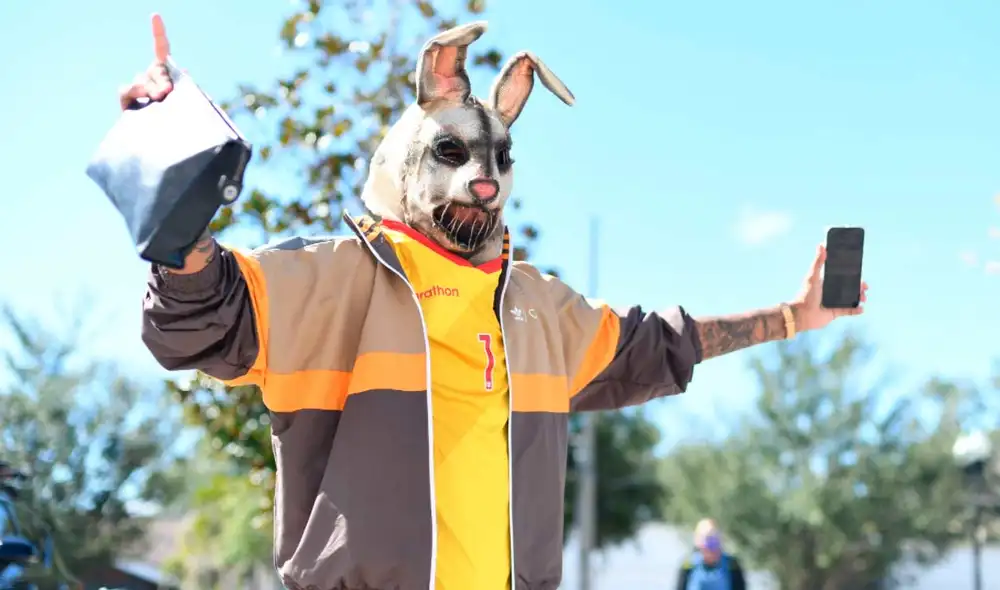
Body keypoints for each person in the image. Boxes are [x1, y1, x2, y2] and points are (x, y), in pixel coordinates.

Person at [125, 14, 869, 590]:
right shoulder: (332, 279)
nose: (484, 179)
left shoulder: (539, 309)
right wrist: (175, 192)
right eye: (454, 154)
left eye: (498, 160)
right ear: (410, 156)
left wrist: (791, 318)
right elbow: (198, 318)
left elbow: (658, 346)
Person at [676, 519, 747, 590]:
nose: (712, 550)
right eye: (708, 544)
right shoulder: (688, 565)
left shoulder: (732, 565)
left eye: (715, 543)